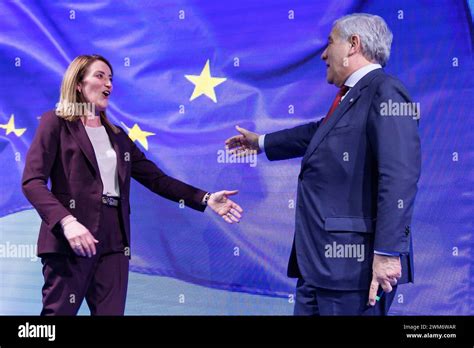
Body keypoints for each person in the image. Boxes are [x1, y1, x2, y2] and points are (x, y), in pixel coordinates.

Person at [226, 13, 421, 315]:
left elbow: (399, 177)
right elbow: (319, 132)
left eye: (330, 43)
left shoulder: (385, 91)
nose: (323, 54)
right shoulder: (352, 98)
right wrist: (261, 142)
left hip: (355, 272)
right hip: (317, 268)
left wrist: (387, 253)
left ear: (353, 44)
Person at [22, 54, 243, 316]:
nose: (109, 84)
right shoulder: (55, 122)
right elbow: (32, 182)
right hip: (70, 238)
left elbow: (157, 179)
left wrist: (205, 198)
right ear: (78, 84)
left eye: (111, 79)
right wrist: (67, 223)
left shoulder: (117, 137)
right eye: (100, 76)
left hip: (115, 240)